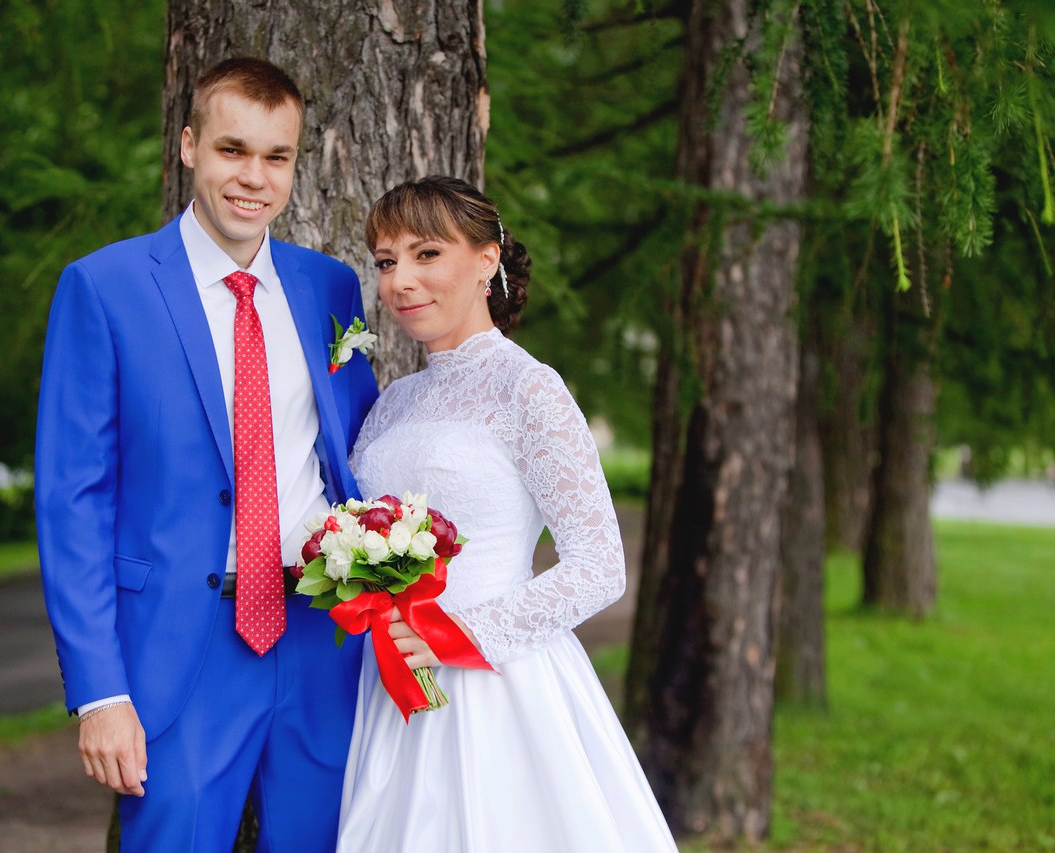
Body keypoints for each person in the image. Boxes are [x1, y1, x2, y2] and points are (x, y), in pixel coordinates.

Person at [34, 58, 378, 851]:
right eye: (232, 150)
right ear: (189, 146)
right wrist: (99, 691)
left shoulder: (329, 288)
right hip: (179, 652)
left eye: (276, 156)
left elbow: (358, 456)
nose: (254, 177)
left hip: (323, 641)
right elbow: (72, 502)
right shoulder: (105, 287)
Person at [336, 176, 677, 851]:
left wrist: (455, 633)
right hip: (390, 682)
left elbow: (599, 566)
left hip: (496, 682)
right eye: (386, 261)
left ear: (486, 261)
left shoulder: (529, 388)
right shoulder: (394, 401)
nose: (401, 280)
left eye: (426, 254)